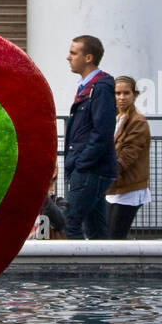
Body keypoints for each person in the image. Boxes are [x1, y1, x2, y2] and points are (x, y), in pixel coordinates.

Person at [63, 35, 116, 239]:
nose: (68, 57)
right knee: (96, 228)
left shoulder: (99, 87)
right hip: (90, 167)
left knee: (71, 223)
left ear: (88, 58)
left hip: (90, 169)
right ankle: (105, 269)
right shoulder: (89, 86)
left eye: (73, 53)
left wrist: (81, 162)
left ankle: (76, 271)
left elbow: (102, 131)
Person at [106, 75, 151, 239]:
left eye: (126, 93)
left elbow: (128, 155)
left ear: (134, 95)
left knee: (115, 236)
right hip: (113, 186)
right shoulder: (113, 117)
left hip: (129, 188)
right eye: (118, 93)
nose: (121, 97)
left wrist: (106, 172)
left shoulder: (138, 121)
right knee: (107, 236)